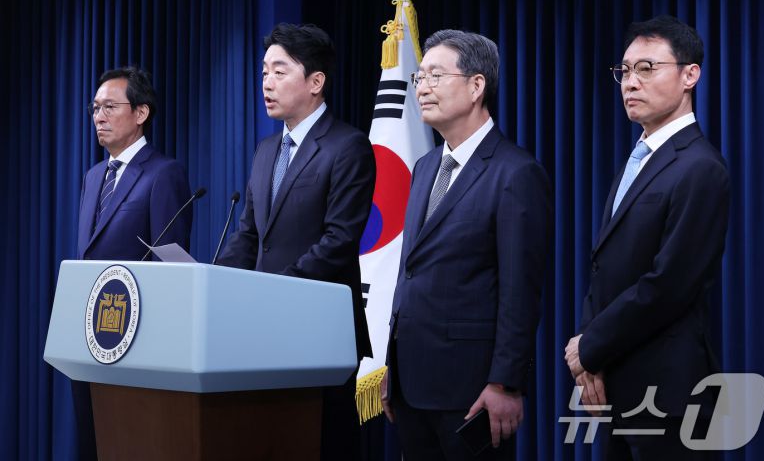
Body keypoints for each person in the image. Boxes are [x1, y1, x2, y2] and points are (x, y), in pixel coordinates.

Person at [381, 29, 552, 460]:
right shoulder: (424, 167)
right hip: (410, 386)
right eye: (419, 77)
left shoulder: (515, 172)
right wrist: (391, 364)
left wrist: (505, 383)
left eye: (436, 76)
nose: (422, 88)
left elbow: (520, 291)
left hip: (472, 392)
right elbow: (409, 272)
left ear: (477, 86)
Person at [565, 15, 730, 460]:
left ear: (690, 75)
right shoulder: (639, 158)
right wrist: (590, 357)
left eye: (646, 68)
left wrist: (590, 346)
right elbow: (605, 266)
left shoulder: (700, 166)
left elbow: (668, 284)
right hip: (615, 383)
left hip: (670, 395)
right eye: (624, 71)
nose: (630, 82)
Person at [217, 23, 375, 461]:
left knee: (320, 445)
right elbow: (250, 235)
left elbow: (339, 240)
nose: (266, 83)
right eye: (264, 72)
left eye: (279, 71)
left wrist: (274, 290)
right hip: (263, 331)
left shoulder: (348, 147)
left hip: (320, 332)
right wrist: (216, 283)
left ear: (316, 81)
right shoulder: (266, 150)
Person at [74, 66, 193, 460]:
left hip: (134, 343)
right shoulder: (94, 176)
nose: (99, 116)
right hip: (90, 340)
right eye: (95, 108)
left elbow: (170, 264)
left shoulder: (164, 173)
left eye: (110, 107)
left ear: (141, 113)